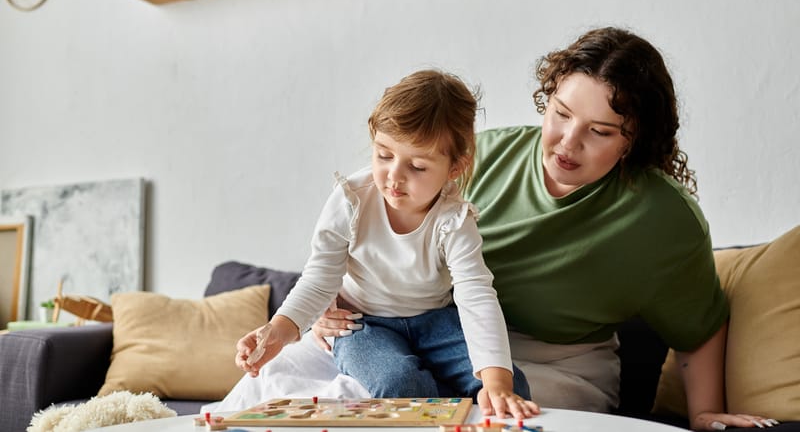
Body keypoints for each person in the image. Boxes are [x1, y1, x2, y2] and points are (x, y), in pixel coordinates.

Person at [309, 28, 776, 430]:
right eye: (561, 114)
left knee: (494, 417)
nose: (567, 143)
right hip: (442, 333)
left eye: (600, 131)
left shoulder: (664, 218)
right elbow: (372, 213)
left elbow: (698, 326)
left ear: (636, 139)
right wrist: (331, 303)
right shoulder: (482, 158)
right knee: (314, 391)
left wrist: (706, 413)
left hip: (558, 363)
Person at [235, 70, 538, 420]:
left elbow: (475, 294)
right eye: (383, 155)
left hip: (436, 321)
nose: (394, 175)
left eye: (418, 166)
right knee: (400, 384)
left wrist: (497, 380)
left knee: (513, 389)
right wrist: (277, 332)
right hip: (363, 324)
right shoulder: (351, 200)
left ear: (456, 166)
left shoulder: (454, 219)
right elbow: (320, 278)